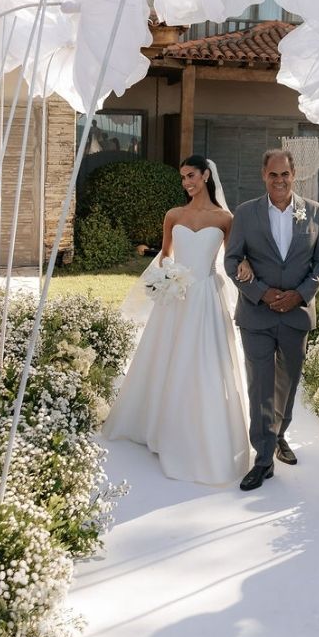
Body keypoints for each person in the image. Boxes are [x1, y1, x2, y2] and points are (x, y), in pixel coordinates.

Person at [104, 157, 254, 485]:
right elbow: (165, 257)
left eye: (191, 176)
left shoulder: (225, 218)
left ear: (206, 176)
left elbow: (231, 259)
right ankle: (159, 425)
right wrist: (166, 278)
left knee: (204, 363)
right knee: (166, 357)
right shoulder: (173, 215)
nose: (186, 182)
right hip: (176, 298)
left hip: (206, 299)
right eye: (183, 177)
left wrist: (243, 266)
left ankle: (200, 431)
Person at [224, 149, 319, 491]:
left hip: (296, 315)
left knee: (287, 384)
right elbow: (232, 261)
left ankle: (278, 433)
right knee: (260, 385)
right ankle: (263, 459)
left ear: (294, 174)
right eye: (273, 175)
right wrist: (260, 292)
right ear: (264, 176)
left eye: (285, 174)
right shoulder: (246, 213)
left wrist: (299, 294)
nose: (280, 180)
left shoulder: (314, 212)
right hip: (257, 314)